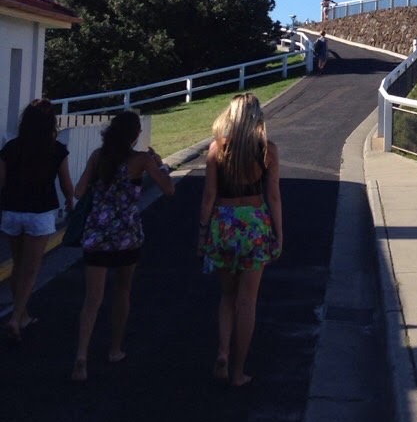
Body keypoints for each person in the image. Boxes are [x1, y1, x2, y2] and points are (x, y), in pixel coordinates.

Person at [71, 110, 175, 382]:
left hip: (96, 234)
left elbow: (78, 191)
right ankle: (115, 349)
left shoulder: (98, 156)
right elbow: (168, 189)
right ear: (135, 135)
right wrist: (160, 164)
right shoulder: (140, 161)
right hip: (127, 235)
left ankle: (81, 355)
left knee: (92, 299)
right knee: (122, 291)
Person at [198, 93, 282, 387]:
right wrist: (278, 234)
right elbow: (273, 196)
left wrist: (202, 232)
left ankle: (222, 351)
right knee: (248, 301)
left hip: (224, 222)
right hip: (255, 225)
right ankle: (238, 370)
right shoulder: (266, 151)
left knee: (227, 296)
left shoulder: (216, 149)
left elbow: (209, 196)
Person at [0, 99, 75, 341]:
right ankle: (16, 317)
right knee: (31, 269)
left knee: (18, 265)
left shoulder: (10, 148)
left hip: (12, 211)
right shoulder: (56, 149)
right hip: (40, 213)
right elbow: (65, 182)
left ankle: (21, 315)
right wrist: (70, 203)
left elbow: (1, 183)